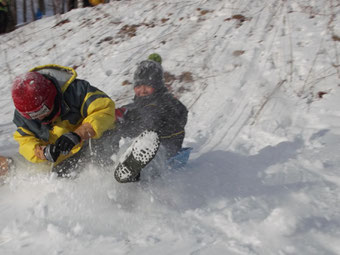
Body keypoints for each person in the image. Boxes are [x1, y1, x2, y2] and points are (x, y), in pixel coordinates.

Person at [2, 64, 115, 177]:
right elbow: (25, 141)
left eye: (41, 111)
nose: (39, 117)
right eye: (32, 115)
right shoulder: (24, 116)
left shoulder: (76, 91)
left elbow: (105, 110)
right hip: (61, 163)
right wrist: (42, 152)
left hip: (94, 144)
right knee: (11, 167)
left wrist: (78, 134)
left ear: (50, 97)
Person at [111, 54, 188, 182]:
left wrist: (164, 120)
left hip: (164, 148)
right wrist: (116, 117)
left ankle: (134, 169)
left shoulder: (167, 102)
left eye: (148, 85)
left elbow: (179, 114)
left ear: (157, 86)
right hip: (140, 145)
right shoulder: (135, 105)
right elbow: (128, 114)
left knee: (147, 139)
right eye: (138, 86)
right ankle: (122, 167)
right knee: (112, 127)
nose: (142, 90)